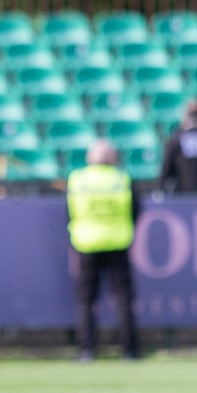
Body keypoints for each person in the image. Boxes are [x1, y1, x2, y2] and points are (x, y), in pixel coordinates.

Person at [66, 139, 140, 361]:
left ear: (91, 158)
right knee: (124, 298)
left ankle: (87, 349)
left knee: (86, 300)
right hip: (118, 242)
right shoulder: (122, 178)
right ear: (113, 157)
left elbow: (68, 211)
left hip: (86, 242)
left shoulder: (78, 179)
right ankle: (129, 350)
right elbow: (136, 209)